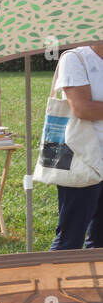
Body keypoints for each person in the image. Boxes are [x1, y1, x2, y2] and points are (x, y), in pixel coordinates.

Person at [48, 41, 103, 250]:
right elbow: (82, 108)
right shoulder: (74, 58)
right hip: (78, 156)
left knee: (100, 239)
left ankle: (94, 282)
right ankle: (54, 282)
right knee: (70, 239)